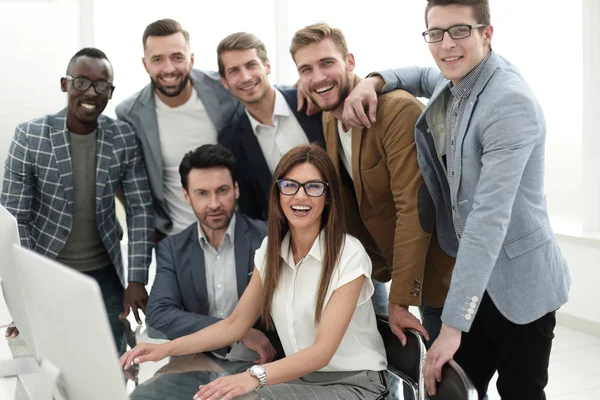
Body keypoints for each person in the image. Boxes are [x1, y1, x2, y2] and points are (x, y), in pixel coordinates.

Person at [341, 1, 571, 398]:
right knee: (450, 390)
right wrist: (371, 81)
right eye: (436, 33)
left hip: (520, 285)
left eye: (459, 30)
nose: (447, 44)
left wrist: (452, 328)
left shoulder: (509, 102)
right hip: (465, 276)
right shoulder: (456, 80)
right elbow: (417, 75)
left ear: (487, 33)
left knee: (522, 392)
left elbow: (487, 221)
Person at [121, 144, 389, 400]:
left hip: (355, 383)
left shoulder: (349, 254)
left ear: (328, 196)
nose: (300, 196)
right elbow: (234, 326)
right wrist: (163, 349)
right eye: (290, 186)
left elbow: (322, 352)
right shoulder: (272, 251)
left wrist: (253, 375)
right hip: (302, 378)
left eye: (314, 187)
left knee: (242, 396)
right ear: (278, 193)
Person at [291, 22, 455, 346]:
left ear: (350, 62)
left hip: (441, 270)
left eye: (326, 63)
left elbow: (415, 206)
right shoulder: (329, 116)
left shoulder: (395, 110)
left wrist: (400, 299)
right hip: (385, 262)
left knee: (453, 376)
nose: (318, 76)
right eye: (306, 69)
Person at [1, 48, 154, 350]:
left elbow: (139, 209)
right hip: (47, 272)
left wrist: (137, 279)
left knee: (112, 365)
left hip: (105, 278)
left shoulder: (123, 137)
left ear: (110, 93)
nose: (91, 92)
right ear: (65, 84)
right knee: (52, 365)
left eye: (102, 86)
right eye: (82, 82)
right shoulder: (30, 137)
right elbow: (14, 220)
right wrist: (24, 292)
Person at [145, 144, 281, 363]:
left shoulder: (269, 238)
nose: (214, 203)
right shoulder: (172, 248)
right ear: (187, 196)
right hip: (200, 363)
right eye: (202, 193)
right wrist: (237, 332)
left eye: (222, 190)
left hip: (265, 364)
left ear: (236, 189)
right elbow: (158, 313)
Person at [116, 19, 239, 237]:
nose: (169, 68)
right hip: (176, 239)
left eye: (177, 57)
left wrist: (301, 89)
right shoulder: (130, 114)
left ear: (191, 60)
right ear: (145, 64)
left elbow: (263, 94)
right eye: (157, 59)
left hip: (235, 231)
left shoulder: (224, 90)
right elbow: (124, 175)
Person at [217, 32, 325, 220]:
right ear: (224, 81)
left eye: (251, 65)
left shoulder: (312, 103)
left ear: (267, 65)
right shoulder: (231, 142)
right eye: (234, 71)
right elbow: (252, 211)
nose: (245, 77)